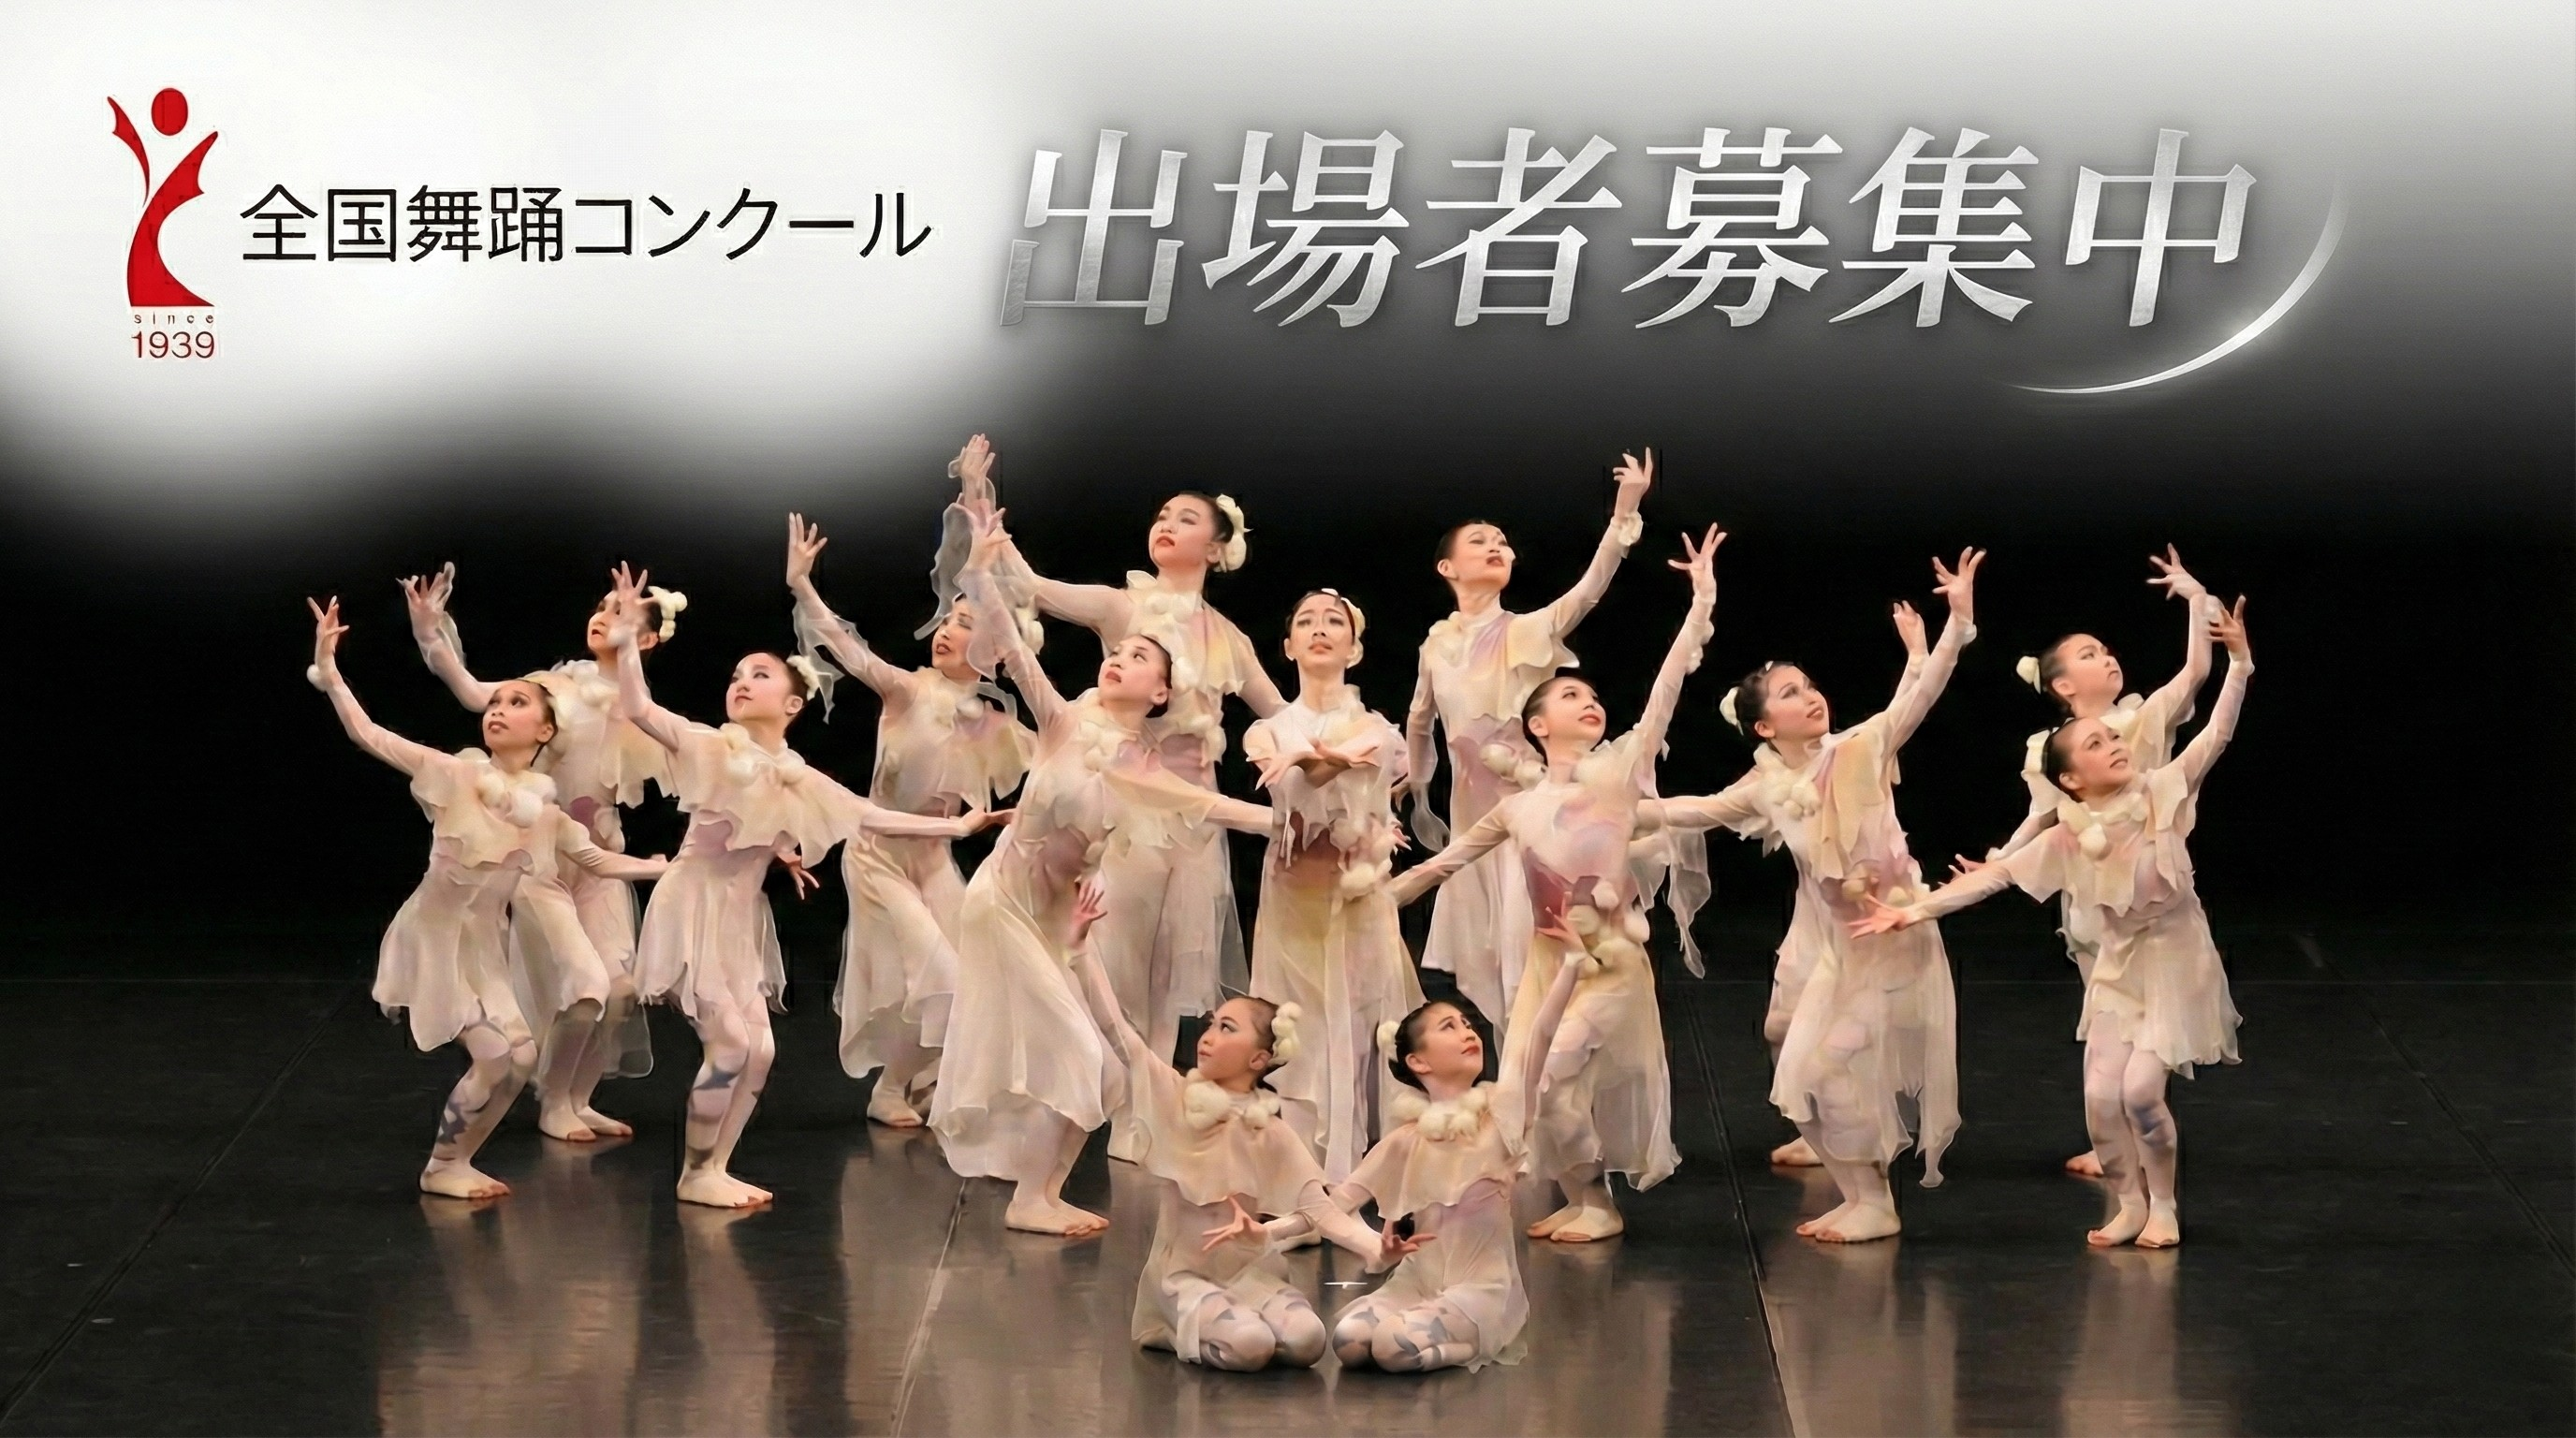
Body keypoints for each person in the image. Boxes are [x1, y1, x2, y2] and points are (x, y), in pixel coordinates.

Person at [1852, 596, 2255, 1250]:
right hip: (2119, 969)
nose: (2115, 744)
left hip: (2175, 960)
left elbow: (2217, 732)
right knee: (2099, 1098)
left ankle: (2163, 1204)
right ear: (2070, 778)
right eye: (2097, 743)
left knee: (2141, 1093)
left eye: (2114, 739)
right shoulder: (2067, 834)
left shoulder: (2161, 790)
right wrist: (1913, 909)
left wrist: (2239, 661)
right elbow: (1996, 878)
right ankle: (2128, 1203)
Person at [928, 507, 1278, 1235]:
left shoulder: (1140, 767)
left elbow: (1212, 805)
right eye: (1117, 652)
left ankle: (1041, 1193)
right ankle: (1031, 1197)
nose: (1119, 658)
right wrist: (981, 570)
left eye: (1140, 658)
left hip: (1059, 920)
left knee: (1113, 1069)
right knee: (1084, 1054)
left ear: (1161, 694)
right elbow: (1016, 651)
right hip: (1004, 904)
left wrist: (1305, 823)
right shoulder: (1064, 722)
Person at [605, 567, 1000, 1208]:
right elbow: (639, 709)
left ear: (793, 705)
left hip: (738, 921)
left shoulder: (795, 774)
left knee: (760, 1051)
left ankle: (714, 1167)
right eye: (737, 675)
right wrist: (626, 645)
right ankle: (696, 1173)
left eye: (759, 674)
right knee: (731, 1048)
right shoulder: (709, 746)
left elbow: (868, 815)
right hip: (692, 909)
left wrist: (954, 825)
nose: (741, 682)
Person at [1387, 526, 1721, 1242]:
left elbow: (1665, 696)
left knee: (1548, 1075)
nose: (1589, 701)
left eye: (1592, 696)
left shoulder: (1614, 781)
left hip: (1605, 966)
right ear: (1536, 724)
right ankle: (1584, 1197)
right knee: (1535, 1085)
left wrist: (1699, 604)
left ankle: (1597, 1204)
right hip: (1550, 962)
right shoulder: (1519, 807)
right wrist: (1378, 895)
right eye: (1571, 695)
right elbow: (1443, 864)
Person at [1650, 549, 1985, 1242]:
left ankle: (1874, 1201)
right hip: (1838, 948)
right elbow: (1694, 810)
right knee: (1797, 1068)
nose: (1810, 697)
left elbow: (1919, 697)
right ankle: (1859, 1190)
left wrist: (1955, 624)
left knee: (1824, 1069)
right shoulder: (1765, 786)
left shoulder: (1859, 749)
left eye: (1808, 686)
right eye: (1790, 694)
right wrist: (1603, 808)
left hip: (1891, 941)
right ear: (1763, 728)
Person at [306, 596, 665, 1200]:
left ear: (546, 731)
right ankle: (445, 1164)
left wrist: (664, 868)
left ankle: (451, 1162)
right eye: (497, 703)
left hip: (481, 948)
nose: (497, 709)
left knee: (519, 1057)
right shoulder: (459, 774)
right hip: (437, 939)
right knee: (500, 1056)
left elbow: (598, 860)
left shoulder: (545, 812)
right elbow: (370, 735)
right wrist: (331, 672)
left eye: (515, 703)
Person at [401, 563, 681, 1141]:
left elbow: (662, 728)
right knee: (581, 991)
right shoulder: (554, 688)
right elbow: (476, 693)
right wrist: (432, 633)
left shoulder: (636, 700)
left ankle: (576, 1096)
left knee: (621, 991)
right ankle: (553, 1102)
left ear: (649, 638)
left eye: (620, 612)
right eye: (601, 607)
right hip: (544, 863)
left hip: (600, 861)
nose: (602, 617)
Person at [784, 514, 1033, 1126]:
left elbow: (1055, 760)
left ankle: (923, 1077)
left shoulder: (997, 723)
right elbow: (847, 649)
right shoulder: (907, 691)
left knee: (972, 979)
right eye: (948, 620)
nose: (947, 630)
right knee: (937, 974)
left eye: (965, 623)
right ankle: (890, 1089)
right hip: (878, 856)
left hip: (934, 859)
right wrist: (802, 585)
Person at [1402, 450, 1655, 1040]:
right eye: (1480, 541)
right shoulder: (1436, 646)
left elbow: (1588, 591)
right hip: (1474, 817)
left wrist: (1624, 512)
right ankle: (1513, 1069)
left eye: (1502, 542)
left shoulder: (1524, 630)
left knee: (1531, 947)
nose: (1497, 547)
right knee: (1490, 955)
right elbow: (1419, 719)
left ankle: (1545, 1069)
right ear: (1447, 567)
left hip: (1532, 815)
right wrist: (1415, 782)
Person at [1994, 546, 2217, 1176]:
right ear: (2063, 686)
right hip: (2092, 892)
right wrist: (1998, 861)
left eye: (2106, 650)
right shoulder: (2049, 749)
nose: (2107, 657)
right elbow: (2041, 817)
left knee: (2152, 1015)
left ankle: (2144, 1120)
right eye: (2089, 655)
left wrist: (2196, 599)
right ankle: (2112, 1135)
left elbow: (2197, 670)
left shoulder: (2143, 719)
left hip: (2148, 886)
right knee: (2106, 1014)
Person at [1241, 589, 1422, 1179]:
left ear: (1355, 648)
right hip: (1292, 903)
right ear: (1289, 645)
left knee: (1358, 1030)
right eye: (1307, 621)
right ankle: (1300, 1181)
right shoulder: (1265, 731)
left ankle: (1352, 1178)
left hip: (1356, 903)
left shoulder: (1381, 731)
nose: (1320, 629)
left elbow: (1339, 770)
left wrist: (1308, 756)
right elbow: (1299, 787)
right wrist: (1311, 755)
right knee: (1295, 1033)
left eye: (1334, 622)